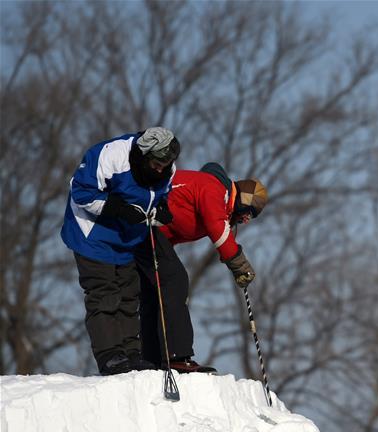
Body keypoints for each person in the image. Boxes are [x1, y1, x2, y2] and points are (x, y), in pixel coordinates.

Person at [60, 128, 179, 375]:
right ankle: (110, 355)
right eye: (156, 164)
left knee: (128, 293)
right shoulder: (110, 156)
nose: (161, 170)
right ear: (143, 155)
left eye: (165, 164)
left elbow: (160, 196)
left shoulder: (167, 169)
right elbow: (80, 192)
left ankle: (131, 353)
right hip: (93, 234)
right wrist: (118, 208)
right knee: (104, 293)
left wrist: (162, 209)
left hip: (128, 239)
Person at [133, 163, 267, 372]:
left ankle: (152, 358)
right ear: (243, 200)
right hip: (144, 223)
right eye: (249, 212)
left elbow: (218, 232)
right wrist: (240, 265)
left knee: (156, 289)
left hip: (148, 231)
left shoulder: (220, 202)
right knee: (175, 281)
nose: (247, 220)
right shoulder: (215, 189)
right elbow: (218, 230)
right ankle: (177, 356)